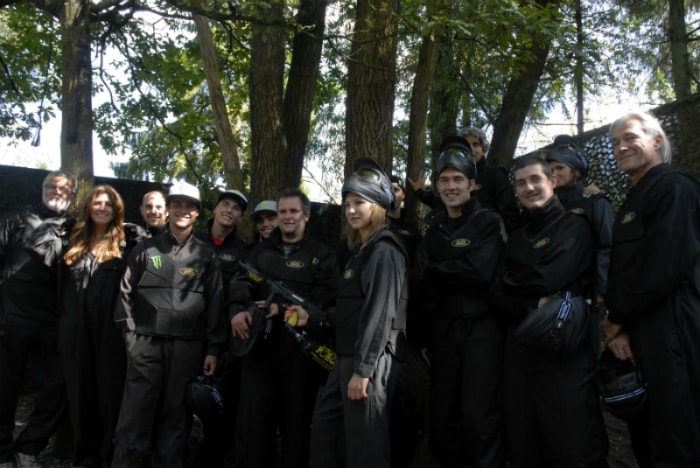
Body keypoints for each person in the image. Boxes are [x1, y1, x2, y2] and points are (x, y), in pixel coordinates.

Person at [489, 155, 608, 467]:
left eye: (535, 180)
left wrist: (514, 282)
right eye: (521, 183)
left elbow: (550, 276)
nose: (529, 188)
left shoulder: (575, 226)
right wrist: (531, 301)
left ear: (552, 182)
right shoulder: (514, 239)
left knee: (574, 445)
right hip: (520, 357)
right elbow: (496, 293)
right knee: (525, 446)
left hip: (564, 357)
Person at [288, 159, 408, 468]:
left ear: (379, 206)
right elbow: (351, 308)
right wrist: (314, 316)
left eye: (360, 202)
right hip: (345, 359)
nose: (350, 210)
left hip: (368, 362)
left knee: (365, 448)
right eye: (347, 203)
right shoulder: (361, 251)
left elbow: (380, 315)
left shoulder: (385, 250)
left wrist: (364, 371)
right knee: (327, 436)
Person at [602, 111, 700, 467]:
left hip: (672, 327)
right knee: (647, 428)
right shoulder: (635, 196)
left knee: (676, 431)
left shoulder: (675, 187)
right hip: (640, 330)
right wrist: (621, 327)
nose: (621, 147)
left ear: (656, 141)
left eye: (629, 137)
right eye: (614, 143)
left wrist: (616, 316)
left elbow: (665, 263)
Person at [112, 181, 226, 467]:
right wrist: (131, 339)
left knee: (175, 418)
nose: (182, 210)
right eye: (177, 204)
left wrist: (214, 349)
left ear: (198, 213)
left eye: (189, 206)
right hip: (145, 346)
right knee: (135, 415)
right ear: (169, 209)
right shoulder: (145, 249)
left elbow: (215, 303)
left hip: (187, 349)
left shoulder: (206, 256)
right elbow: (124, 294)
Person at [231, 188, 336, 468]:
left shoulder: (322, 254)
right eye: (283, 212)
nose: (287, 217)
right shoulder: (261, 251)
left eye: (293, 211)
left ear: (306, 215)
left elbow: (329, 300)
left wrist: (291, 312)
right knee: (257, 427)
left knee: (297, 427)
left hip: (301, 357)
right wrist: (238, 311)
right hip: (261, 352)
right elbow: (242, 281)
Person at [417, 145, 506, 467]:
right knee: (443, 413)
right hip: (443, 331)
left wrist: (440, 270)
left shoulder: (488, 221)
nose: (451, 186)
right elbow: (421, 279)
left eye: (458, 179)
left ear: (472, 184)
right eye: (444, 180)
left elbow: (480, 271)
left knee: (479, 414)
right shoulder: (435, 231)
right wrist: (455, 270)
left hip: (482, 330)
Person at [59, 185, 145, 467]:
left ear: (117, 210)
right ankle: (84, 456)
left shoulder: (127, 242)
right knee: (80, 391)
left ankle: (108, 456)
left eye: (109, 204)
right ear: (88, 206)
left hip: (110, 332)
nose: (103, 208)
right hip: (75, 330)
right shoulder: (72, 240)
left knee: (109, 394)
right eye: (98, 203)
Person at [0, 170, 77, 468]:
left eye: (63, 188)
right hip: (11, 318)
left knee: (60, 385)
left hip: (52, 323)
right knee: (4, 388)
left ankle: (29, 446)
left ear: (71, 194)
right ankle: (3, 452)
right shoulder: (16, 217)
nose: (56, 192)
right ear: (42, 189)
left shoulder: (75, 229)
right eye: (51, 186)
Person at [193, 189, 250, 467]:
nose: (229, 210)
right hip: (186, 337)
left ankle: (213, 455)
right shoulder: (192, 241)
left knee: (218, 404)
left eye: (236, 208)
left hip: (223, 342)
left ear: (240, 218)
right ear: (214, 209)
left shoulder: (243, 253)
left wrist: (228, 346)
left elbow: (241, 300)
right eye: (225, 204)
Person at [546, 135, 614, 349]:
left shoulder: (595, 202)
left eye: (559, 168)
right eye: (550, 169)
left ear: (576, 171)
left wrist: (602, 291)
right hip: (552, 298)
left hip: (587, 296)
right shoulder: (545, 207)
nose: (554, 174)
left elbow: (607, 245)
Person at [409, 128, 520, 233]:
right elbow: (443, 202)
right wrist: (420, 192)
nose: (471, 148)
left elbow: (510, 214)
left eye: (475, 144)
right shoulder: (453, 177)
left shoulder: (495, 176)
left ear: (484, 150)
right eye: (466, 145)